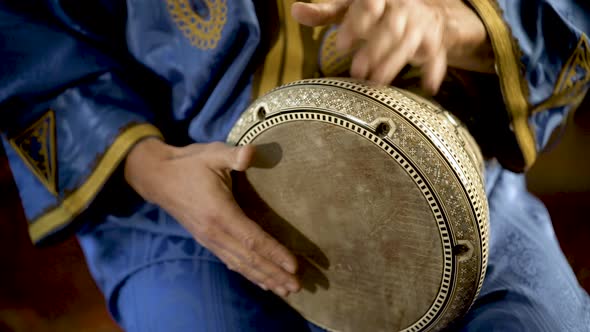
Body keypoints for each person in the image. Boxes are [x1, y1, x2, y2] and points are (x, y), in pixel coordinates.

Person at [1, 0, 589, 330]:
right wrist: (151, 166)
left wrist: (453, 23)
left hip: (449, 177)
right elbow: (29, 32)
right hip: (183, 204)